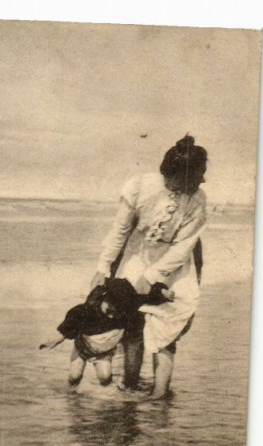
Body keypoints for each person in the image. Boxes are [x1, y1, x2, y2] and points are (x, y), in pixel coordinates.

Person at [92, 134, 208, 398]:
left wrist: (154, 275)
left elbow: (184, 246)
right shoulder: (140, 186)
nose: (199, 183)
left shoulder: (198, 200)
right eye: (196, 176)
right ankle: (130, 386)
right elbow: (120, 230)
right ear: (177, 174)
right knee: (132, 323)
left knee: (166, 325)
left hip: (175, 263)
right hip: (138, 254)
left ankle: (159, 393)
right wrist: (103, 266)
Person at [40, 278, 173, 388]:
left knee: (104, 377)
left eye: (117, 312)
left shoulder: (127, 305)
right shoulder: (86, 310)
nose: (112, 316)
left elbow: (148, 297)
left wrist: (162, 293)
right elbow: (71, 322)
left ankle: (108, 399)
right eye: (109, 310)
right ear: (105, 299)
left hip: (104, 351)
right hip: (83, 346)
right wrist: (58, 338)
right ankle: (72, 398)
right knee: (75, 376)